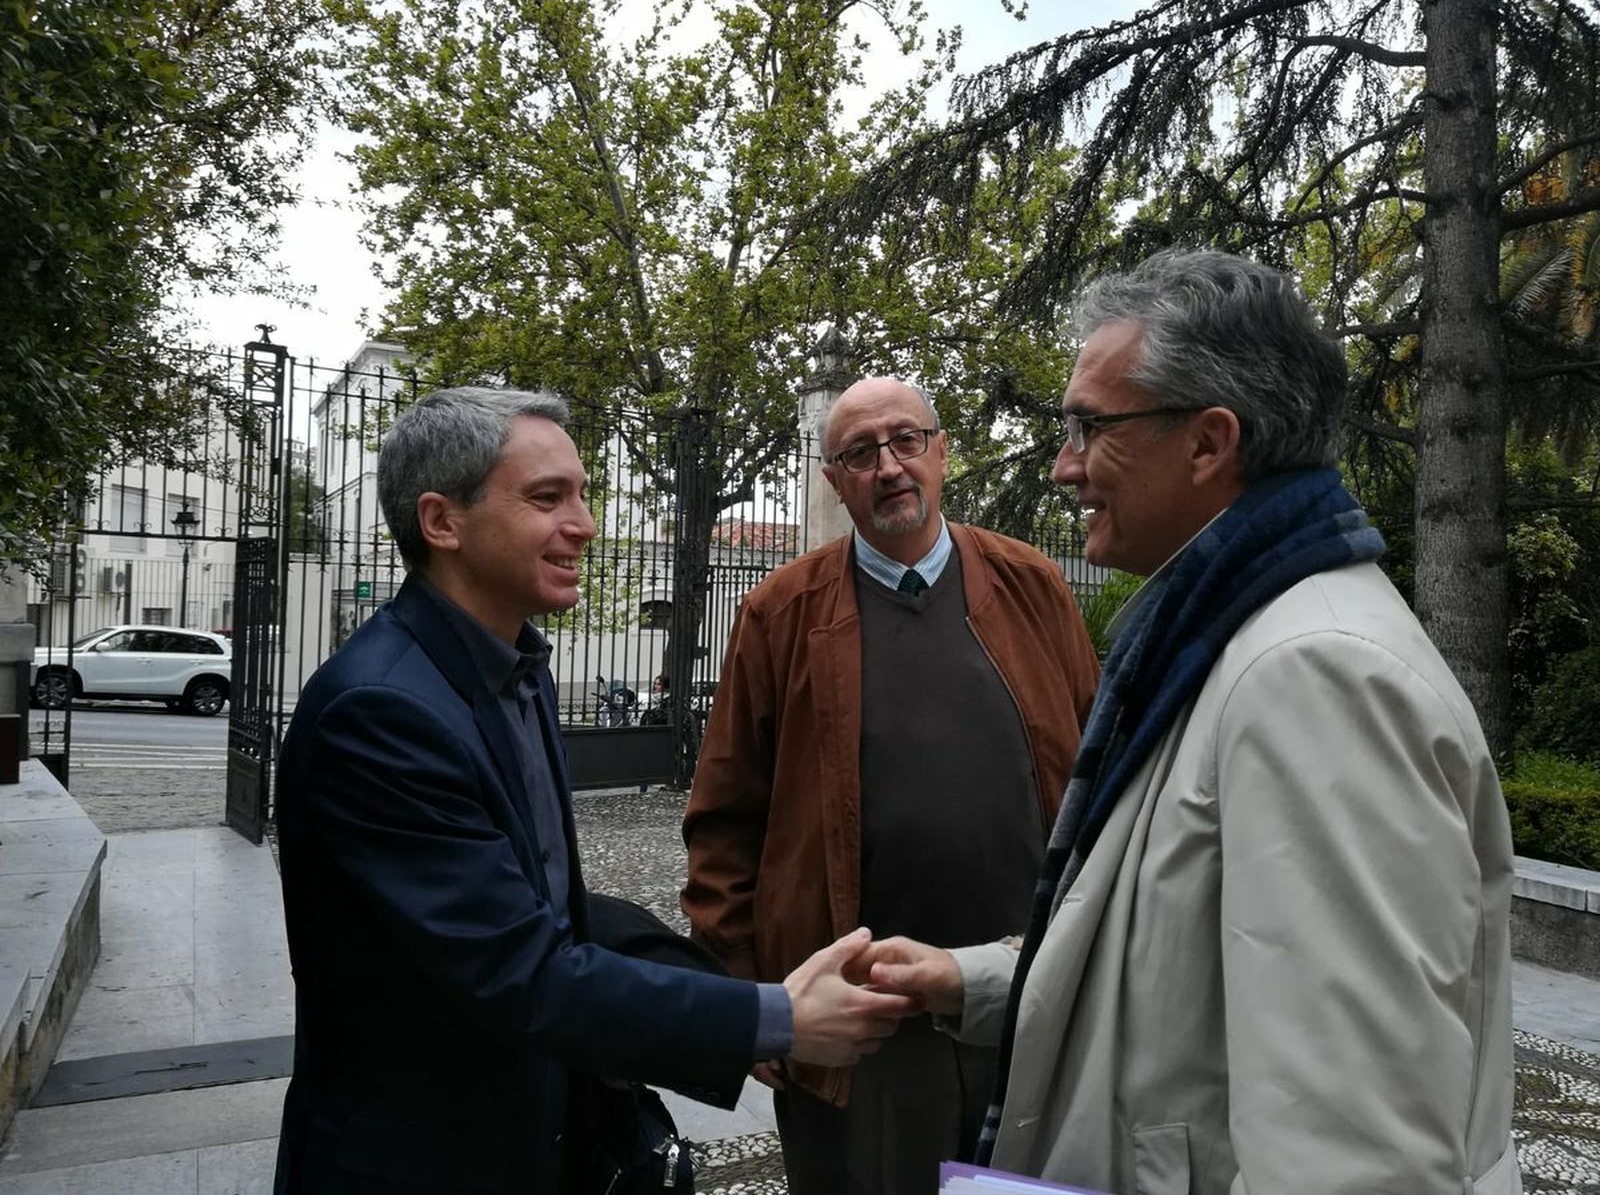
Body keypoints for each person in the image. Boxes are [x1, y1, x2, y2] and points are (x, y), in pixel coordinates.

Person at [860, 250, 1521, 1194]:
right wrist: (973, 980)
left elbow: (1354, 1160)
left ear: (1210, 443)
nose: (1064, 465)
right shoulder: (1221, 640)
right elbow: (1182, 979)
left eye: (1090, 426)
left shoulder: (1313, 678)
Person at [271, 386, 916, 1194]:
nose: (584, 523)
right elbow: (524, 971)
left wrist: (728, 997)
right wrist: (774, 1019)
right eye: (547, 498)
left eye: (582, 494)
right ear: (442, 523)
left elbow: (558, 907)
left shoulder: (514, 670)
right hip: (419, 1160)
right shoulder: (381, 713)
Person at [682, 377, 1100, 1193]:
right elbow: (725, 819)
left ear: (942, 453)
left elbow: (1097, 778)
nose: (889, 466)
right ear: (834, 481)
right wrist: (750, 1000)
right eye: (859, 453)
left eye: (907, 441)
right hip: (861, 1030)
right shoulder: (781, 612)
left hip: (1022, 1004)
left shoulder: (1032, 586)